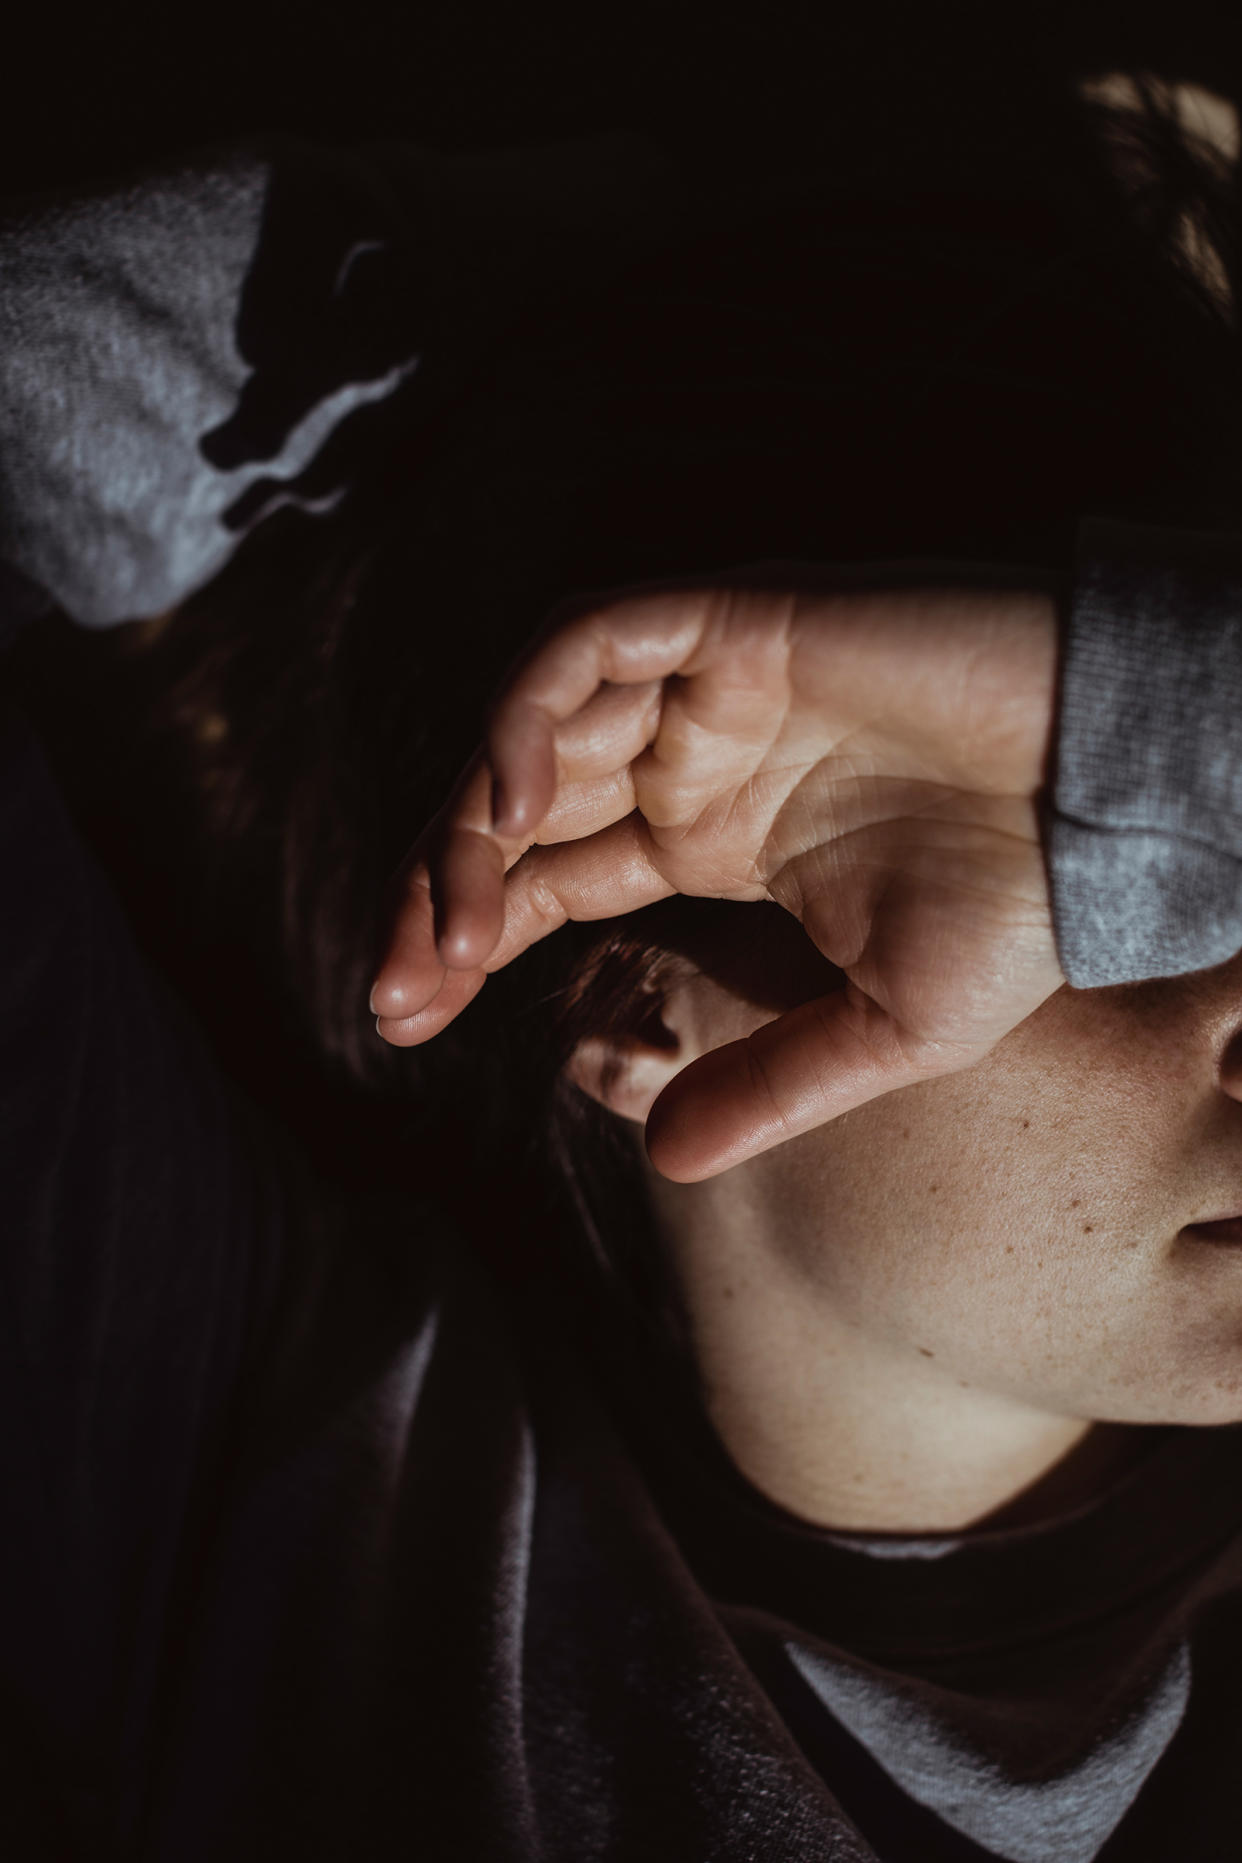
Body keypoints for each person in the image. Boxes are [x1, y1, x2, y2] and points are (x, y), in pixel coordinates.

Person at [4, 63, 1242, 1862]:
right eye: (1090, 876)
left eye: (1205, 834)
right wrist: (661, 198)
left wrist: (1151, 717)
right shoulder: (264, 1468)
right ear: (628, 995)